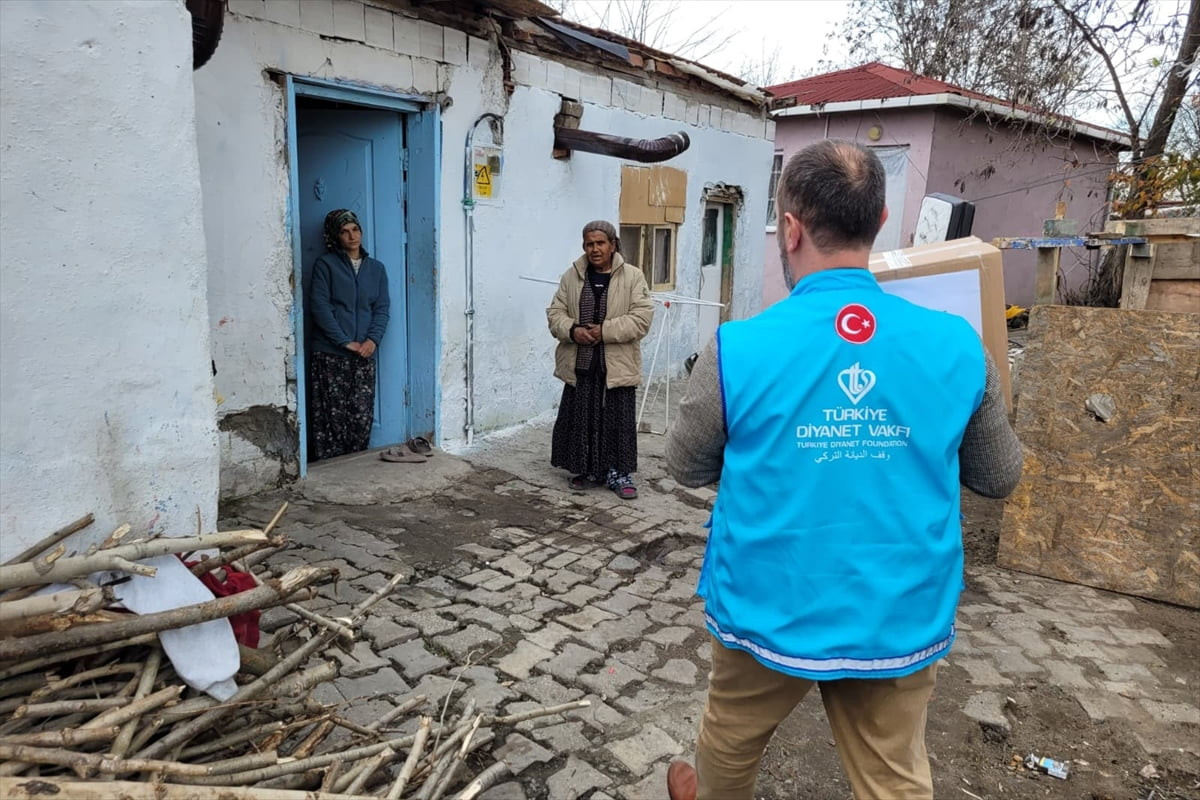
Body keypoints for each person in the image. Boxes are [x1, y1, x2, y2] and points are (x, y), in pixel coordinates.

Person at [663, 140, 1023, 800]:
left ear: (790, 229)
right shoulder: (958, 344)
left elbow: (685, 465)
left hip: (766, 607)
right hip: (898, 615)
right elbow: (998, 477)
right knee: (895, 779)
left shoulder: (737, 346)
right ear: (880, 221)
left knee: (729, 745)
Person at [547, 220, 654, 499]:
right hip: (581, 363)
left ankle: (619, 473)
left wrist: (604, 331)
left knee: (617, 421)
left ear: (613, 245)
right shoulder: (572, 276)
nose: (594, 249)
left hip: (616, 366)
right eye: (589, 244)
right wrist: (573, 330)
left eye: (600, 243)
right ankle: (587, 469)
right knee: (582, 418)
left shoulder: (632, 277)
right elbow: (555, 313)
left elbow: (641, 319)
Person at [307, 208, 390, 461]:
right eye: (344, 232)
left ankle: (356, 464)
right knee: (331, 417)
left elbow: (381, 308)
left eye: (355, 229)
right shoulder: (325, 265)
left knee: (360, 414)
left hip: (364, 353)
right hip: (330, 353)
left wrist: (372, 340)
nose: (352, 236)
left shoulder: (376, 269)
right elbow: (320, 307)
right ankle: (331, 467)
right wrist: (344, 341)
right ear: (335, 236)